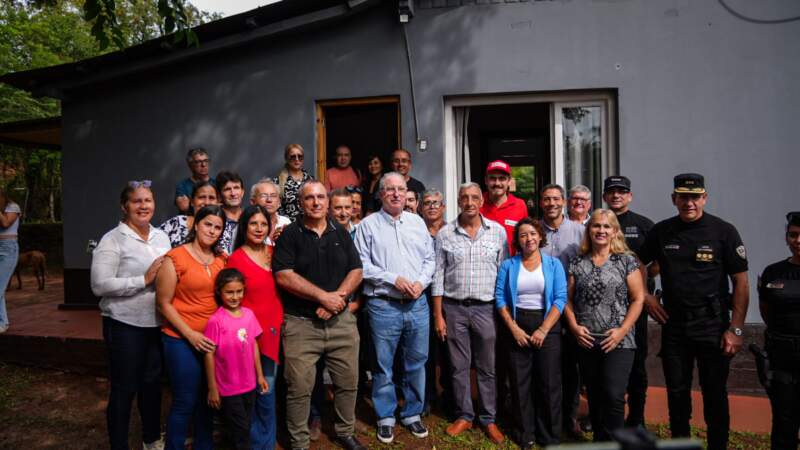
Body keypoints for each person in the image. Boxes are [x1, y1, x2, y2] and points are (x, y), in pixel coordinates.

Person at [639, 173, 749, 450]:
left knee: (714, 394)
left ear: (704, 198)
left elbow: (741, 282)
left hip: (712, 324)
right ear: (673, 199)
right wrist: (646, 297)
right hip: (675, 325)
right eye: (683, 197)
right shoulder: (662, 231)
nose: (689, 202)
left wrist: (736, 328)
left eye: (695, 197)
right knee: (677, 395)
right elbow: (636, 262)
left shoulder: (723, 231)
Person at [272, 180, 366, 450]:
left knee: (348, 382)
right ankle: (299, 441)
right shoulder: (290, 235)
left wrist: (337, 299)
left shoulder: (340, 232)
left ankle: (345, 431)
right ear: (301, 203)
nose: (316, 202)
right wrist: (322, 297)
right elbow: (284, 276)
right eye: (310, 198)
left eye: (321, 197)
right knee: (299, 388)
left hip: (340, 322)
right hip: (301, 325)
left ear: (327, 201)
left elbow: (356, 270)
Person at [354, 172, 435, 444]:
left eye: (401, 189)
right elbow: (361, 266)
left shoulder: (417, 223)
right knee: (383, 365)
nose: (397, 194)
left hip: (417, 304)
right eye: (390, 189)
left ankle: (412, 413)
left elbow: (430, 260)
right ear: (381, 194)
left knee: (417, 363)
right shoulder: (367, 225)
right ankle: (385, 416)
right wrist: (394, 279)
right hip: (383, 305)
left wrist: (420, 283)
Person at [90, 180, 171, 450]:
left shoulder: (162, 237)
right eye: (137, 201)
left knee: (152, 386)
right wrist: (143, 280)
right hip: (124, 325)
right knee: (124, 389)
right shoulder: (112, 239)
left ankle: (151, 440)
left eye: (148, 200)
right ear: (124, 206)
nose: (143, 206)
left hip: (156, 323)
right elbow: (99, 285)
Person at [432, 182, 507, 443]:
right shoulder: (445, 234)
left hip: (486, 308)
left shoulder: (497, 232)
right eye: (465, 197)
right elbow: (438, 275)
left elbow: (503, 274)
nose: (470, 202)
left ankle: (488, 418)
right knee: (458, 366)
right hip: (454, 308)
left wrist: (502, 312)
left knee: (487, 366)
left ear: (481, 201)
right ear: (458, 201)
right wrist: (438, 315)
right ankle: (464, 415)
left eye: (475, 197)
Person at [563, 209, 645, 441]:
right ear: (589, 230)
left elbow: (638, 299)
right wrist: (574, 327)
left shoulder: (626, 261)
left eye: (606, 226)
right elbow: (567, 299)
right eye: (596, 225)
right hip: (587, 340)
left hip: (618, 340)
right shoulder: (578, 262)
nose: (601, 230)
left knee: (613, 394)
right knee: (595, 395)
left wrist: (622, 331)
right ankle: (601, 440)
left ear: (615, 231)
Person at [156, 205, 228, 450]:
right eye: (208, 224)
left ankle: (204, 446)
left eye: (218, 227)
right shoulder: (175, 257)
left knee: (207, 399)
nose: (212, 231)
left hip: (212, 341)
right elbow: (163, 303)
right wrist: (190, 334)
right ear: (196, 225)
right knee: (185, 400)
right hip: (180, 339)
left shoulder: (221, 260)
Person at [495, 217, 567, 449]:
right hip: (517, 325)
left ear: (540, 237)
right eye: (523, 235)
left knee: (549, 382)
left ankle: (549, 435)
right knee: (519, 382)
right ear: (517, 240)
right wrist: (514, 329)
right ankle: (525, 432)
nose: (529, 238)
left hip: (547, 324)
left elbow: (560, 299)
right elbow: (500, 299)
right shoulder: (508, 265)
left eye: (533, 233)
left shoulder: (554, 264)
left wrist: (544, 329)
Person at [226, 205, 284, 450]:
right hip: (251, 335)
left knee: (272, 390)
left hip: (279, 330)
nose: (259, 229)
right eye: (253, 224)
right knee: (258, 391)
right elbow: (231, 301)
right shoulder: (236, 259)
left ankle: (266, 441)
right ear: (244, 227)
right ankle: (257, 443)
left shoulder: (275, 252)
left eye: (263, 224)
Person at [602, 175, 655, 428]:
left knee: (636, 362)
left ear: (630, 196)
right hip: (603, 306)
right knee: (603, 361)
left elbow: (657, 262)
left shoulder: (644, 225)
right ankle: (604, 415)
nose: (616, 195)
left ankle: (636, 418)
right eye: (612, 191)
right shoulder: (597, 222)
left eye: (622, 191)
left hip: (635, 305)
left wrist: (644, 287)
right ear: (604, 196)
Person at [539, 183, 585, 437]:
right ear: (541, 203)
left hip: (573, 307)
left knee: (572, 366)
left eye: (556, 199)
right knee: (547, 367)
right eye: (547, 199)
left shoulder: (580, 231)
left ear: (564, 202)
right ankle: (547, 417)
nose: (552, 203)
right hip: (542, 307)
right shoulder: (534, 231)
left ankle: (571, 417)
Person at [204, 268, 268, 450]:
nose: (235, 297)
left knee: (243, 427)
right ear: (220, 292)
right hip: (228, 387)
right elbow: (209, 354)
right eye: (229, 292)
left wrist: (260, 376)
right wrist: (212, 388)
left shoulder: (249, 315)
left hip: (249, 385)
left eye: (239, 291)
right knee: (241, 432)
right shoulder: (216, 321)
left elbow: (254, 345)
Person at [758, 211, 800, 450]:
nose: (798, 240)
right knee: (784, 424)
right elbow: (766, 311)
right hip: (782, 359)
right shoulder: (773, 272)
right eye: (793, 235)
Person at [420, 189, 452, 417]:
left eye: (436, 203)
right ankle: (428, 396)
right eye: (427, 203)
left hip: (449, 299)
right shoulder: (415, 231)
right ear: (421, 207)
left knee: (449, 350)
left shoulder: (452, 232)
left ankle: (450, 396)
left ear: (443, 207)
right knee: (425, 351)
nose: (431, 206)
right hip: (422, 297)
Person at [480, 160, 527, 256]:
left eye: (502, 178)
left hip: (511, 262)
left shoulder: (520, 205)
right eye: (492, 178)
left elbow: (525, 236)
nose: (497, 183)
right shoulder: (477, 203)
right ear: (486, 181)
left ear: (509, 181)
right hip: (483, 263)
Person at [160, 180, 219, 247]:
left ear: (218, 203)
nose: (207, 202)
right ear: (192, 202)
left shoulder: (223, 228)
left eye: (211, 198)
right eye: (202, 197)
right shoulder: (177, 223)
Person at [0, 186, 22, 333]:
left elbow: (5, 223)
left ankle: (3, 323)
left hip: (8, 249)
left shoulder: (13, 207)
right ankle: (3, 322)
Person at [274, 143, 312, 223]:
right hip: (288, 226)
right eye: (293, 156)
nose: (297, 159)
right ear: (286, 158)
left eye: (300, 156)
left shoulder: (310, 180)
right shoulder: (278, 181)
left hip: (309, 225)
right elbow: (276, 208)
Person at [249, 178, 291, 246]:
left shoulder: (286, 222)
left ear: (279, 202)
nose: (269, 200)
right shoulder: (248, 225)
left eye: (273, 196)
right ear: (253, 202)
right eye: (263, 195)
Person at [175, 148, 214, 214]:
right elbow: (183, 207)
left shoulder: (217, 183)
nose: (203, 165)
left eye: (206, 160)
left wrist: (193, 204)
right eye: (198, 162)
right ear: (190, 165)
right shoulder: (183, 186)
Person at [216, 171, 245, 255]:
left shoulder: (250, 217)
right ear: (219, 195)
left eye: (236, 188)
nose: (233, 193)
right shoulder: (214, 219)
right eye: (227, 189)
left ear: (242, 192)